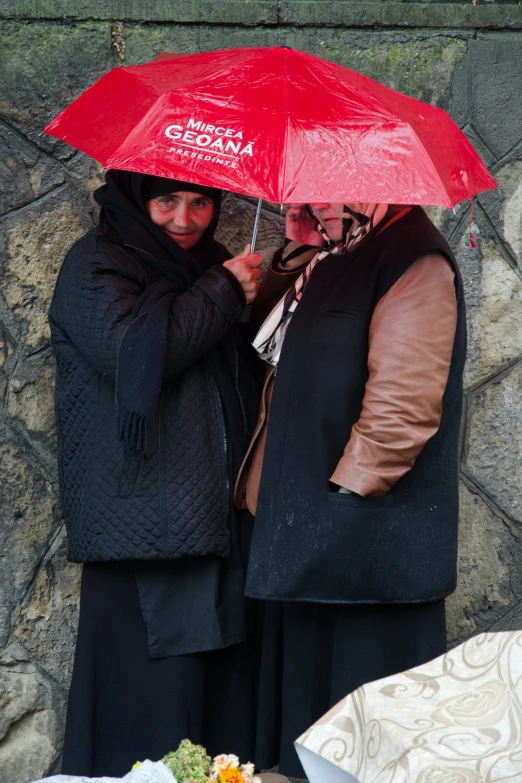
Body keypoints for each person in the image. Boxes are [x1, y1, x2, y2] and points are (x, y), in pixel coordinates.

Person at [235, 202, 466, 778]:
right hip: (313, 536)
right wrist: (298, 249)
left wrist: (344, 501)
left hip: (362, 545)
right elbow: (269, 336)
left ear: (368, 189)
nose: (308, 203)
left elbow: (404, 405)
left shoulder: (414, 257)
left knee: (363, 733)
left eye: (322, 194)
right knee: (309, 728)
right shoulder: (338, 251)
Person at [49, 171, 264, 776]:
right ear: (138, 202)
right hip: (137, 521)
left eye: (200, 203)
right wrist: (224, 291)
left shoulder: (213, 265)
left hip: (206, 515)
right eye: (167, 200)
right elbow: (133, 355)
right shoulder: (95, 264)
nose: (185, 219)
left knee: (208, 694)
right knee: (144, 702)